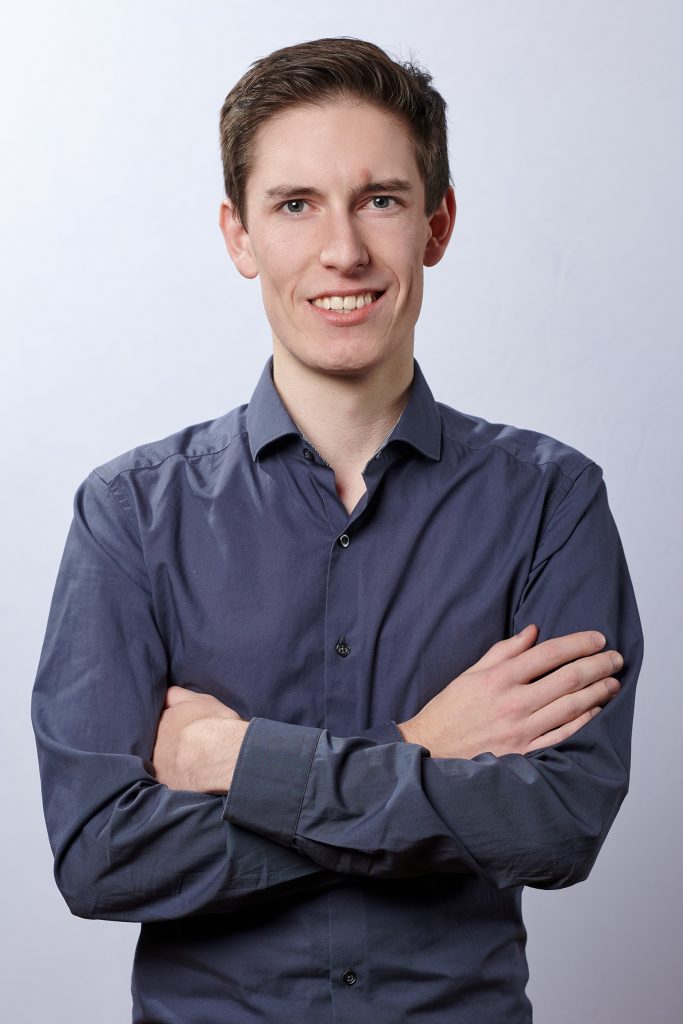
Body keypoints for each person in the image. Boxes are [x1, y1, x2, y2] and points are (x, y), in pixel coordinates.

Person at [32, 37, 642, 1024]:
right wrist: (420, 746)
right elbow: (102, 858)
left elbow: (556, 826)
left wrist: (239, 763)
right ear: (238, 236)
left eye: (380, 199)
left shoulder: (549, 502)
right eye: (294, 204)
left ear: (436, 224)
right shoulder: (131, 513)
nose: (343, 250)